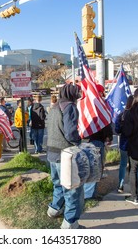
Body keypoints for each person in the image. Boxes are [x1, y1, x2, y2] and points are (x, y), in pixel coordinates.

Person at [46, 83, 83, 229]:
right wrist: (78, 142)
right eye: (77, 94)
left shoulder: (54, 106)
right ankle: (70, 223)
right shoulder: (70, 107)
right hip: (64, 154)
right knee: (72, 188)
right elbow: (70, 132)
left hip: (51, 153)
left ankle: (54, 209)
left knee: (57, 184)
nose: (78, 97)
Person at [83, 84, 113, 200]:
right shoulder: (99, 106)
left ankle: (88, 192)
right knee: (95, 168)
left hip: (86, 140)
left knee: (89, 167)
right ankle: (89, 194)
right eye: (102, 92)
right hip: (96, 140)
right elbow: (105, 124)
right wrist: (109, 136)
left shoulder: (85, 103)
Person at [114, 95, 134, 193]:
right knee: (134, 167)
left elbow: (117, 130)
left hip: (124, 144)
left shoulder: (121, 115)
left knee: (123, 165)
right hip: (135, 145)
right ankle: (134, 186)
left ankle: (121, 185)